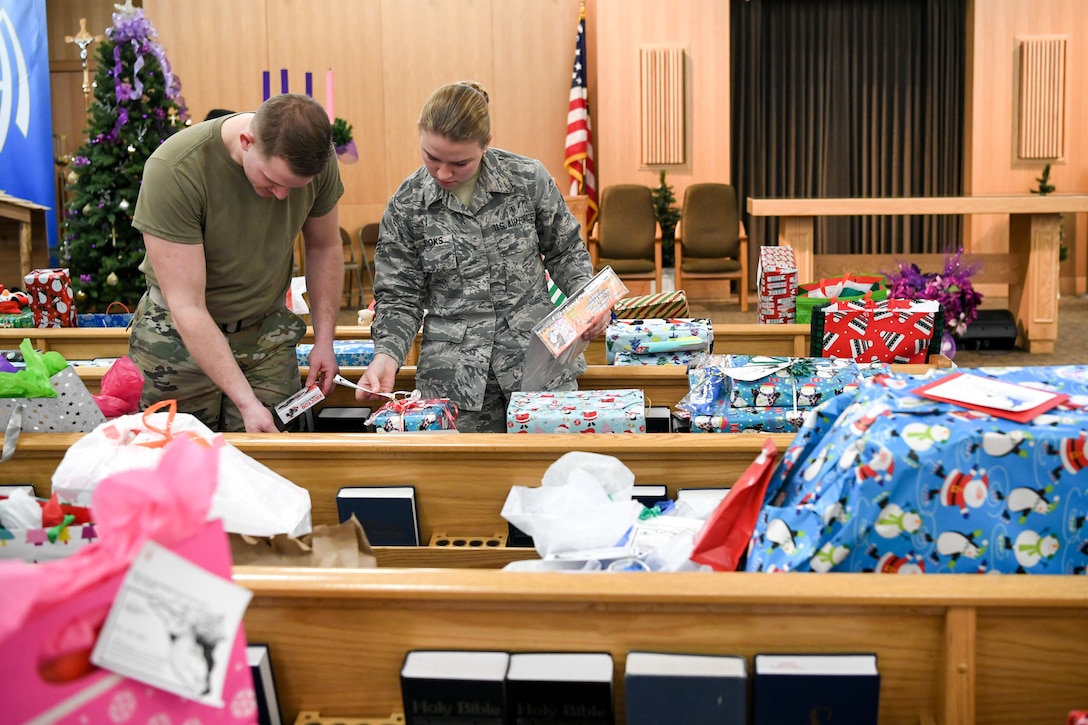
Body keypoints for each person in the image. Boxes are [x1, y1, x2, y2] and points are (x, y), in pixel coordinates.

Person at [356, 81, 610, 432]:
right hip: (455, 384)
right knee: (465, 484)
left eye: (459, 163)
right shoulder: (407, 205)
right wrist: (386, 354)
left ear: (485, 145)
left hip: (538, 367)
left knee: (553, 475)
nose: (444, 173)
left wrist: (588, 300)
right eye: (431, 158)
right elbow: (400, 298)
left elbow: (566, 251)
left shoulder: (527, 180)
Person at [129, 93, 345, 432]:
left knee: (271, 464)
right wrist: (246, 402)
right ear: (247, 141)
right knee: (182, 464)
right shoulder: (175, 168)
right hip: (176, 339)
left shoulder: (318, 160)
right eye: (272, 181)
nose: (282, 196)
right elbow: (187, 307)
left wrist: (324, 340)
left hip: (265, 333)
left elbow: (325, 247)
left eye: (293, 187)